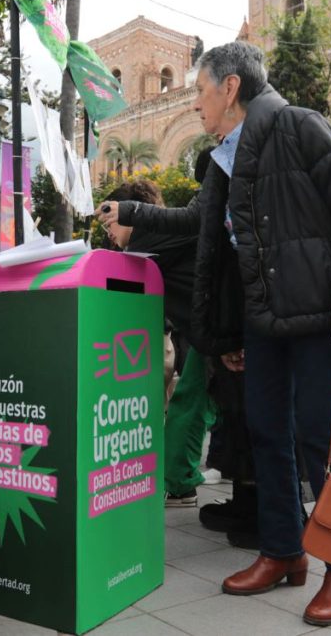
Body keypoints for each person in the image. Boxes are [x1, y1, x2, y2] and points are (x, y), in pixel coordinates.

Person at [192, 41, 331, 627]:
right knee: (266, 435)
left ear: (230, 88)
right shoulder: (224, 159)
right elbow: (225, 251)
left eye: (201, 91)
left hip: (318, 318)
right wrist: (227, 330)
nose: (197, 105)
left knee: (323, 441)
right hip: (264, 327)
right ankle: (283, 552)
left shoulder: (299, 127)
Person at [102, 178, 220, 508]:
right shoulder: (149, 243)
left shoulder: (153, 239)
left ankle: (180, 483)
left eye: (112, 218)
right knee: (195, 401)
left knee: (190, 402)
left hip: (213, 328)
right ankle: (183, 480)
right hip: (207, 329)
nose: (109, 229)